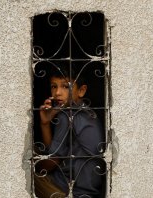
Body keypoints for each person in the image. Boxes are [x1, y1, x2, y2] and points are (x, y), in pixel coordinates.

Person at [34, 66, 105, 198]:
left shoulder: (67, 116)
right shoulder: (88, 112)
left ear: (81, 91)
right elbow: (54, 152)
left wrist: (32, 166)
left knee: (25, 171)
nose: (57, 93)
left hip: (69, 191)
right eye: (54, 86)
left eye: (66, 87)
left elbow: (51, 162)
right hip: (90, 191)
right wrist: (45, 123)